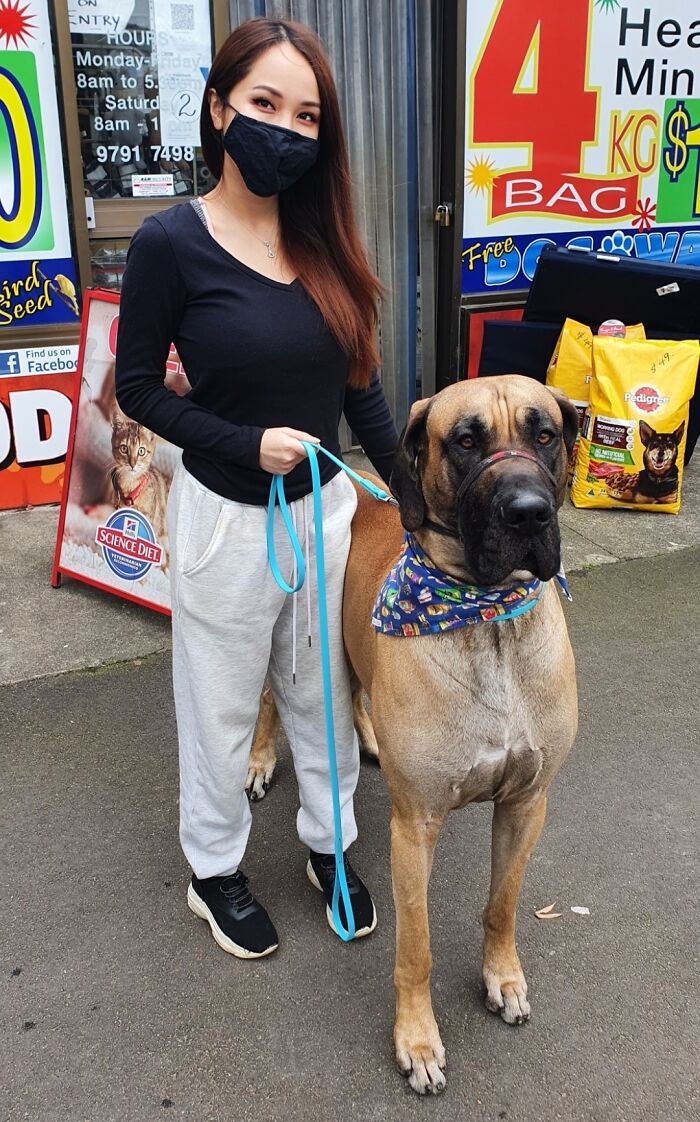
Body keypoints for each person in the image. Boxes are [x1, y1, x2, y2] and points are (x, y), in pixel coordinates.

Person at [115, 18, 399, 960]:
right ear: (220, 109)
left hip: (325, 518)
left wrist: (425, 508)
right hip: (224, 525)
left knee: (323, 700)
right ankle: (215, 871)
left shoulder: (324, 243)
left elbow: (363, 394)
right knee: (222, 707)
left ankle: (329, 850)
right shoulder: (169, 244)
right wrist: (243, 441)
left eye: (307, 114)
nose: (285, 129)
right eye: (266, 105)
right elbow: (139, 388)